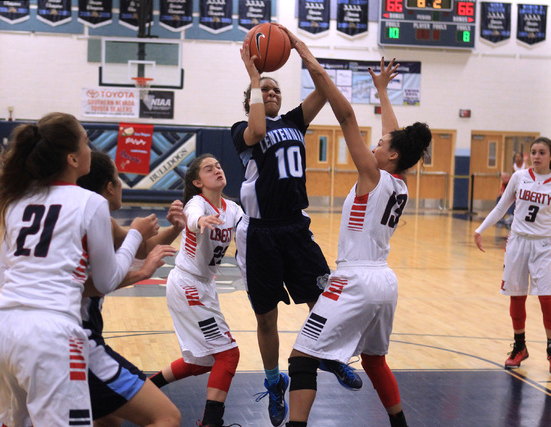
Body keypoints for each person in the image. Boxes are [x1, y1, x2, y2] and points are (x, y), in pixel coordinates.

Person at [279, 27, 431, 427]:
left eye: (380, 144)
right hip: (385, 282)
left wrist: (309, 59)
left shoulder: (373, 176)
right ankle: (400, 423)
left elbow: (345, 114)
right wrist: (382, 91)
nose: (374, 144)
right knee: (375, 359)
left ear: (390, 156)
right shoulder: (399, 182)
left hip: (354, 281)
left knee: (301, 357)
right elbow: (395, 137)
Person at [0, 113, 158, 426]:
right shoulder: (90, 202)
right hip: (51, 336)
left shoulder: (16, 201)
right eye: (87, 142)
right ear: (73, 158)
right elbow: (107, 280)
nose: (91, 149)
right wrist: (136, 236)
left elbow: (4, 278)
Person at [232, 30, 362, 427]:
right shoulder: (242, 129)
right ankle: (275, 382)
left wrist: (304, 53)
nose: (272, 93)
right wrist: (254, 76)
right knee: (267, 318)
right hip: (261, 234)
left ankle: (330, 355)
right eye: (265, 90)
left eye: (275, 90)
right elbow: (256, 129)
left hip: (295, 228)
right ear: (253, 95)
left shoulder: (293, 121)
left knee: (324, 301)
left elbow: (323, 91)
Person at [77, 150, 182, 427]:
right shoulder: (92, 218)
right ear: (110, 187)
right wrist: (142, 272)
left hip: (46, 333)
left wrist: (174, 228)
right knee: (167, 417)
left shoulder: (94, 219)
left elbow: (140, 247)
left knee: (109, 418)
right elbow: (93, 285)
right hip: (77, 338)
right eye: (119, 179)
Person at [148, 154, 243, 427]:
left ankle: (144, 389)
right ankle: (211, 423)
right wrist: (199, 222)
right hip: (188, 284)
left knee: (201, 361)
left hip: (205, 285)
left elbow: (250, 228)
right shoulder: (197, 203)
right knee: (228, 354)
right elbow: (191, 217)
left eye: (219, 165)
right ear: (197, 182)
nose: (217, 169)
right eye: (208, 168)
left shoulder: (232, 209)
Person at [474, 137, 551, 376]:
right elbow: (502, 207)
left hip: (543, 245)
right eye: (533, 152)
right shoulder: (519, 178)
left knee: (546, 297)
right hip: (517, 242)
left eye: (542, 152)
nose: (536, 156)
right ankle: (520, 346)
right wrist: (480, 229)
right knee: (516, 297)